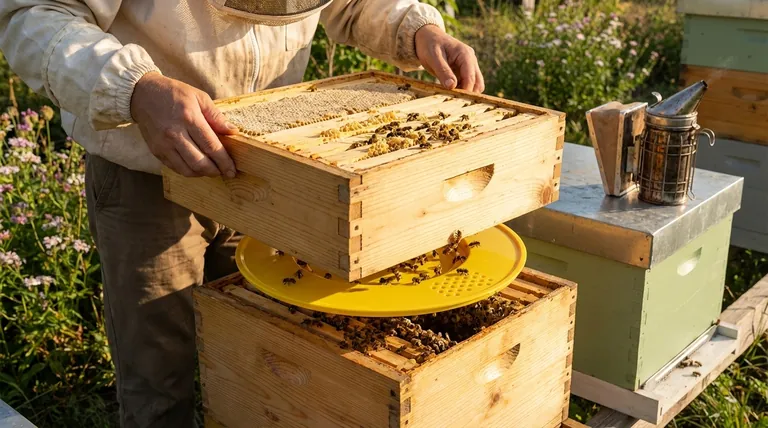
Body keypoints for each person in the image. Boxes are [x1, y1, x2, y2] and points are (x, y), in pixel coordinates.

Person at [0, 0, 484, 426]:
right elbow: (35, 15)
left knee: (263, 365)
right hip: (150, 174)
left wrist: (418, 30)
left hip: (274, 175)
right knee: (159, 379)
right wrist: (136, 89)